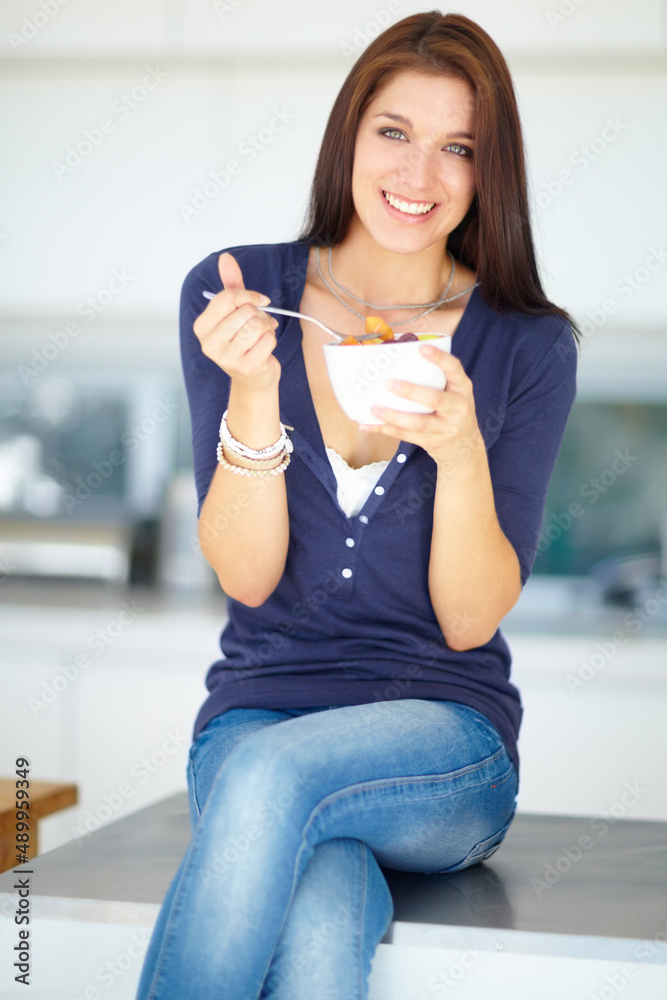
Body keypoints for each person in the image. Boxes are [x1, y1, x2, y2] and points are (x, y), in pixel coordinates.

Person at [136, 11, 577, 1000]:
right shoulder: (238, 290)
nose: (418, 175)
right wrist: (255, 394)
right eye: (394, 132)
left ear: (486, 172)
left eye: (456, 147)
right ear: (349, 135)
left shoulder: (524, 345)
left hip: (441, 747)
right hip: (255, 719)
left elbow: (470, 618)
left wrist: (459, 450)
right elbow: (246, 577)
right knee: (322, 902)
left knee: (273, 784)